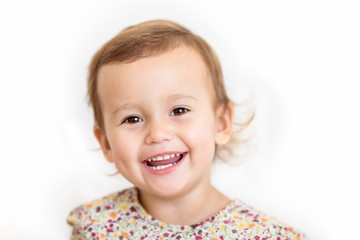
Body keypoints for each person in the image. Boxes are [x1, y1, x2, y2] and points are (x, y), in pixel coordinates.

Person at [67, 19, 306, 240]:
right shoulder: (93, 226)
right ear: (106, 143)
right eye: (132, 119)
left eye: (179, 111)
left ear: (221, 123)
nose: (158, 133)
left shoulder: (267, 236)